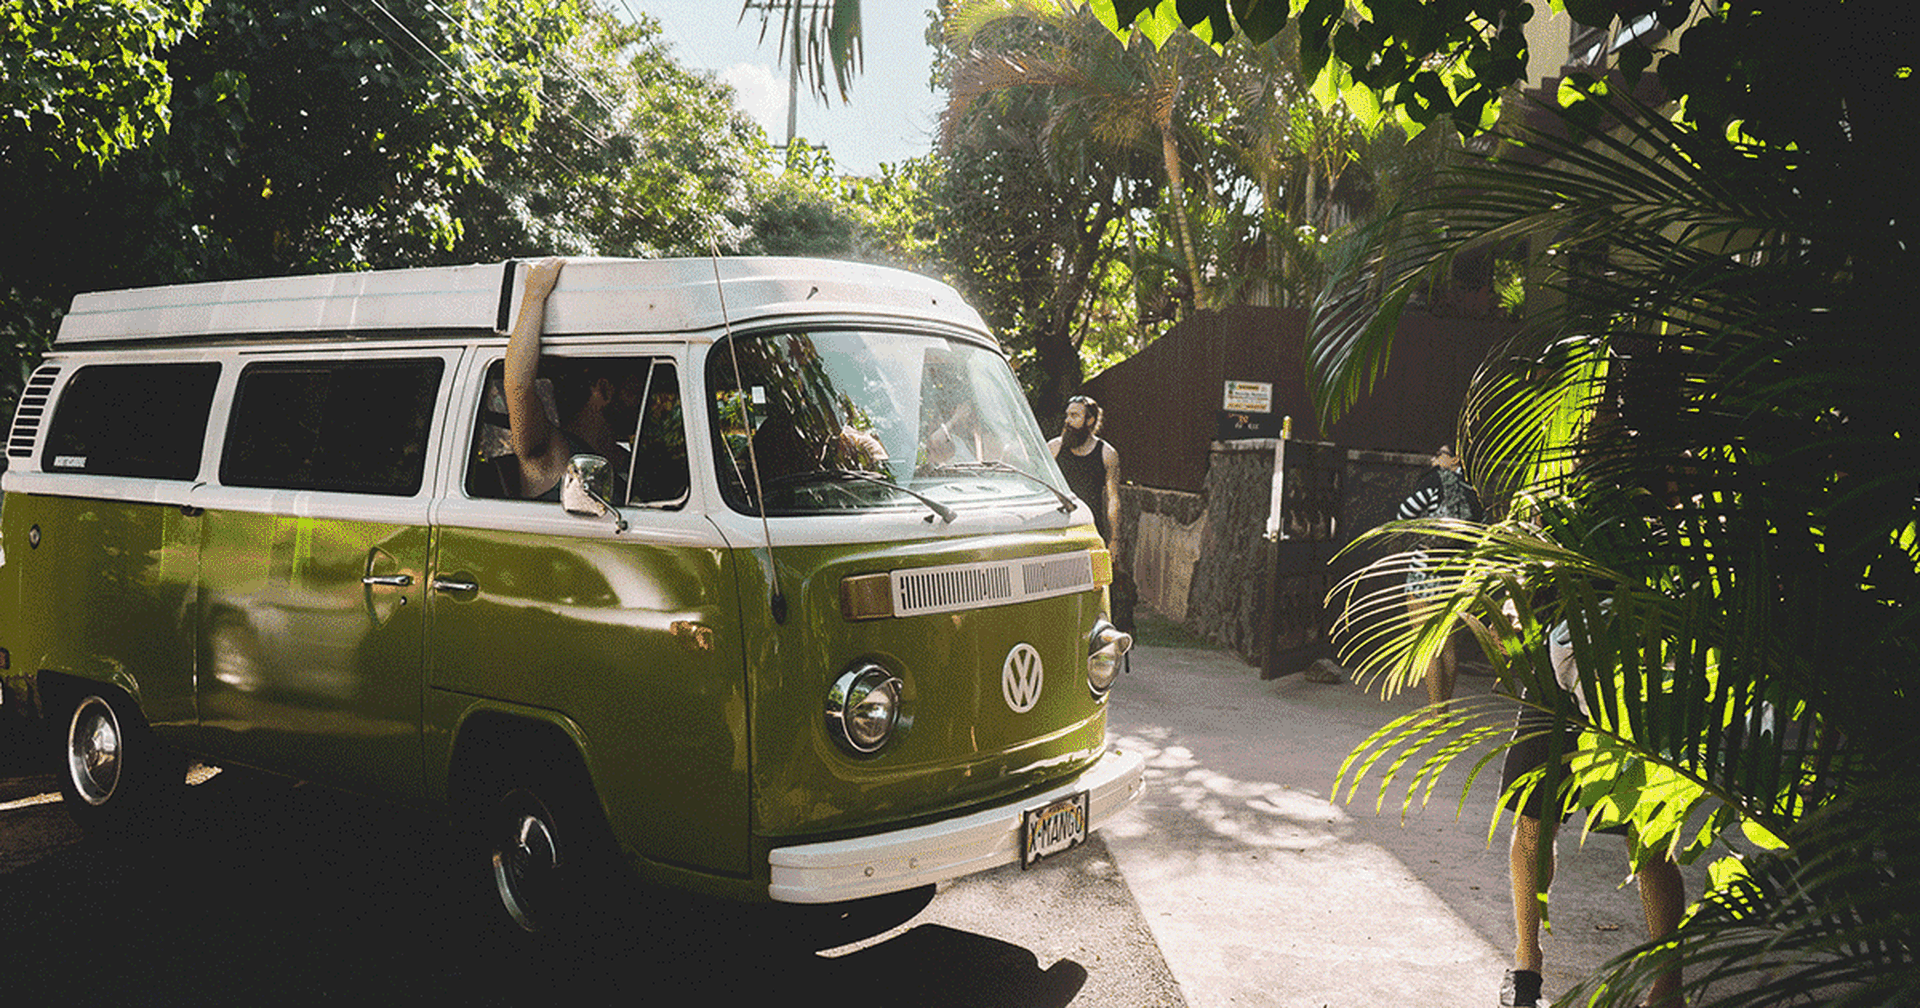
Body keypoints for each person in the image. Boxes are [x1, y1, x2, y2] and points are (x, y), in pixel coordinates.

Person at [1499, 619, 1685, 1008]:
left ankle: (1668, 989)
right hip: (1556, 663)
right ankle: (1526, 966)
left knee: (1648, 832)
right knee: (1533, 817)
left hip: (1636, 665)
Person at [503, 258, 646, 501]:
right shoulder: (551, 449)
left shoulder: (624, 459)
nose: (644, 404)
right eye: (635, 393)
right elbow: (519, 387)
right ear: (604, 390)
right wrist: (534, 295)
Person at [1396, 444, 1484, 706]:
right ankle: (1443, 711)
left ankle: (1435, 715)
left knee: (1426, 644)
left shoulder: (1434, 482)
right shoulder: (1474, 493)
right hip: (1457, 573)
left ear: (1455, 459)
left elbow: (1404, 514)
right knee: (1448, 646)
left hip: (1426, 570)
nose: (1435, 457)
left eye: (1441, 453)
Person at [1048, 395, 1120, 548]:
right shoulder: (1054, 448)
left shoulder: (1107, 454)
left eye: (1074, 415)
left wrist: (1114, 540)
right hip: (1057, 530)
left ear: (1090, 420)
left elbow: (1112, 499)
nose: (1067, 420)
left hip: (1090, 530)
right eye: (1067, 415)